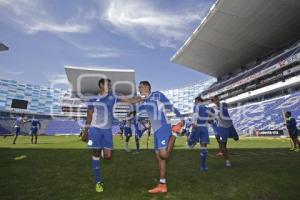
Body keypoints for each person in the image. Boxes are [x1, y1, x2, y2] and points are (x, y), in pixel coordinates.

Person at [81, 78, 143, 193]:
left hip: (107, 130)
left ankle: (102, 150)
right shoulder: (92, 99)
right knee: (96, 154)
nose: (109, 86)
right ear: (100, 85)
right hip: (95, 129)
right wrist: (85, 132)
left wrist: (142, 98)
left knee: (108, 156)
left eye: (110, 85)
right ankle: (99, 182)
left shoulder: (112, 97)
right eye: (107, 84)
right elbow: (89, 116)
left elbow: (129, 100)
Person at [137, 81, 181, 194]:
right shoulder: (144, 102)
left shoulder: (157, 95)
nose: (139, 89)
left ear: (147, 87)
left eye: (140, 87)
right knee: (159, 159)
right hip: (156, 130)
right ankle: (162, 185)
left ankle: (175, 133)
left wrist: (180, 118)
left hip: (163, 127)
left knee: (164, 155)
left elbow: (170, 106)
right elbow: (140, 113)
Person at [211, 96, 239, 167]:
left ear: (218, 99)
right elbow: (212, 119)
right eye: (213, 100)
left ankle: (232, 136)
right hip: (222, 128)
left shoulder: (224, 104)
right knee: (223, 144)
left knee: (236, 139)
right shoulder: (214, 110)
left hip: (230, 126)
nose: (215, 101)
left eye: (215, 99)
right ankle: (227, 161)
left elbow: (225, 113)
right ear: (213, 102)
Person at [187, 96, 210, 171]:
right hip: (204, 128)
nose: (195, 102)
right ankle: (203, 166)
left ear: (198, 101)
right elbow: (208, 119)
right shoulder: (207, 108)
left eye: (195, 101)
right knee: (204, 148)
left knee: (191, 142)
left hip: (197, 127)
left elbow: (195, 115)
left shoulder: (196, 106)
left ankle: (191, 143)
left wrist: (193, 123)